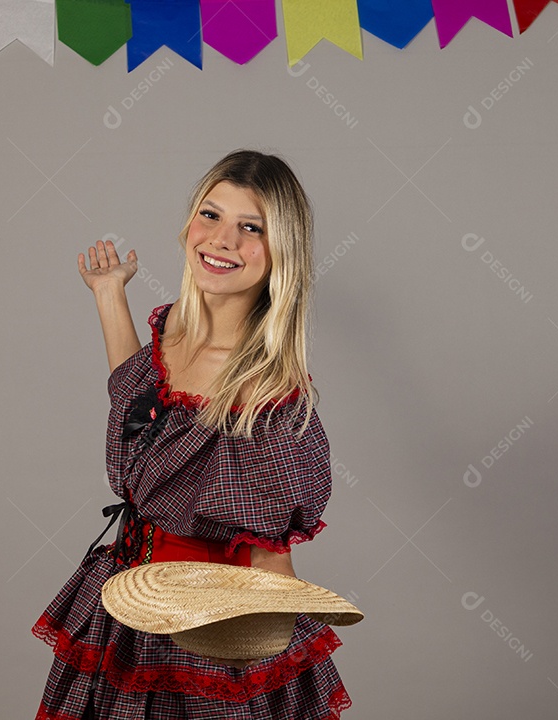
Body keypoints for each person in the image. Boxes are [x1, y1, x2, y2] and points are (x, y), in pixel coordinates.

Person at [31, 149, 350, 719]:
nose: (222, 239)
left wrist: (251, 660)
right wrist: (110, 296)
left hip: (212, 624)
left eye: (251, 228)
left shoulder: (268, 395)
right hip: (126, 600)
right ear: (187, 226)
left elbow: (269, 559)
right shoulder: (171, 329)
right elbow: (136, 404)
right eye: (211, 215)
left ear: (282, 253)